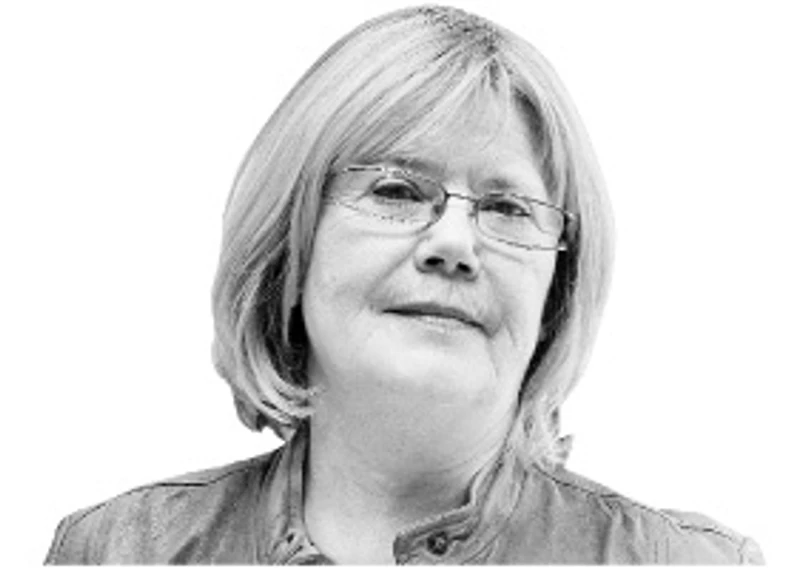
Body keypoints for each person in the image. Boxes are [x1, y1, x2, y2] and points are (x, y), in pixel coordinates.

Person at [45, 5, 763, 564]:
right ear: (288, 246)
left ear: (556, 289)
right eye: (396, 190)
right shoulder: (118, 551)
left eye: (507, 208)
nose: (455, 244)